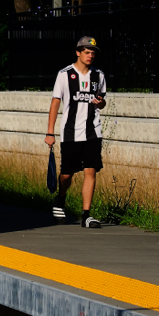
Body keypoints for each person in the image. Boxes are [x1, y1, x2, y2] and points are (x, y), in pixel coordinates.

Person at [45, 36, 107, 228]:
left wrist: (100, 103)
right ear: (78, 52)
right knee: (67, 174)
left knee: (91, 170)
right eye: (87, 52)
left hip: (92, 131)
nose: (90, 56)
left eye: (93, 53)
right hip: (71, 132)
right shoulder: (65, 74)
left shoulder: (99, 76)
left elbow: (103, 101)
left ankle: (86, 215)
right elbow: (56, 102)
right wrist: (50, 132)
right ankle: (60, 200)